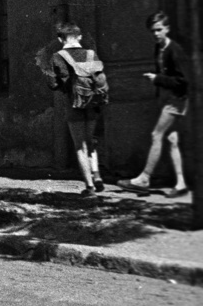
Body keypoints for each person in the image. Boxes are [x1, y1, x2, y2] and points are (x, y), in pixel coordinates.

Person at [119, 11, 189, 198]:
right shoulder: (160, 48)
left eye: (159, 30)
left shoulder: (175, 50)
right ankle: (181, 183)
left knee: (156, 134)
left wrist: (157, 79)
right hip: (167, 98)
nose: (156, 34)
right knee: (172, 140)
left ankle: (144, 178)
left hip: (176, 99)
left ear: (167, 29)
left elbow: (184, 80)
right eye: (153, 31)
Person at [48, 21, 108, 196]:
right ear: (79, 37)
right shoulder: (91, 54)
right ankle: (97, 176)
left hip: (73, 103)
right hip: (93, 102)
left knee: (79, 145)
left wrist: (66, 85)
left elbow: (52, 84)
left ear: (61, 38)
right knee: (91, 141)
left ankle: (89, 186)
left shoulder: (58, 56)